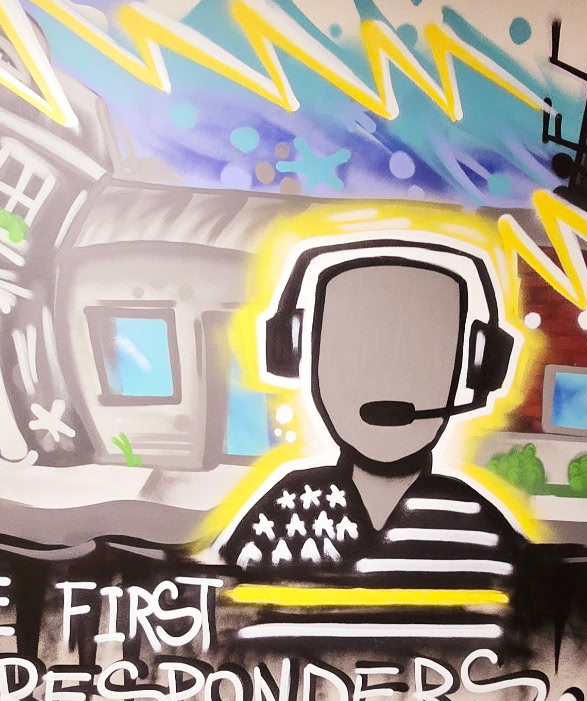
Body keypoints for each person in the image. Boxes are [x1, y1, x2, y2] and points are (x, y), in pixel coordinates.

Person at [216, 236, 526, 638]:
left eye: (421, 358)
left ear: (477, 368)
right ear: (294, 354)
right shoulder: (283, 512)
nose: (388, 381)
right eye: (353, 352)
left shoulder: (479, 525)